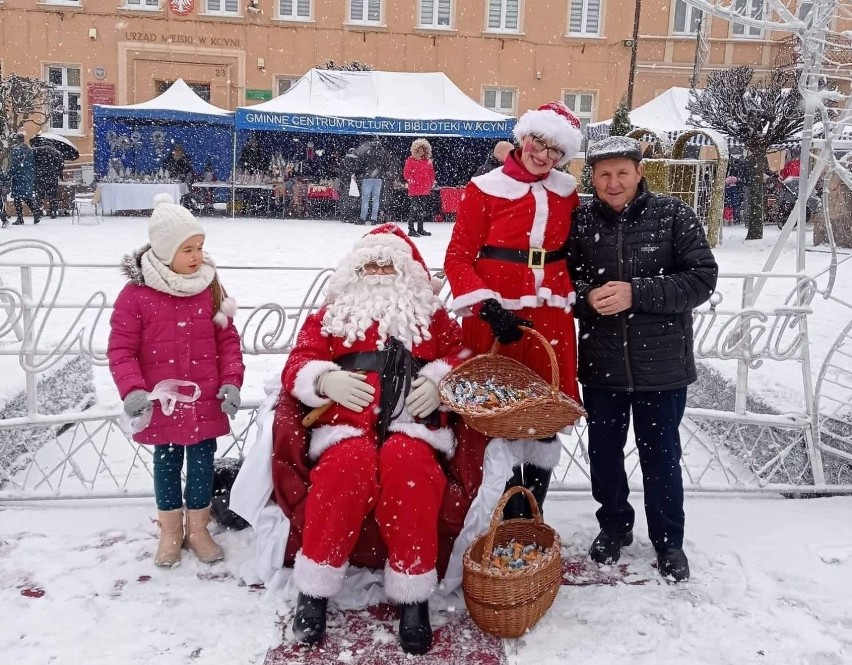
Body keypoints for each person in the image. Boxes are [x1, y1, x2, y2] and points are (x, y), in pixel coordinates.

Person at [282, 224, 468, 654]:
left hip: (411, 426)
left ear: (408, 270)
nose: (379, 269)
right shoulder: (333, 312)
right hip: (345, 427)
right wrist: (325, 379)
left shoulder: (431, 316)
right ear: (355, 268)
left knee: (410, 470)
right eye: (370, 261)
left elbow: (461, 355)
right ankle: (314, 589)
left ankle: (414, 595)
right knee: (346, 469)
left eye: (389, 262)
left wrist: (441, 380)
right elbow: (299, 361)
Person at [564, 136, 718, 583]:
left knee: (662, 457)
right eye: (604, 174)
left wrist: (639, 292)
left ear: (639, 173)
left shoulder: (673, 215)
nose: (613, 183)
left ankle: (669, 541)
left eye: (622, 173)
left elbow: (702, 279)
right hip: (602, 364)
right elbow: (561, 282)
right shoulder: (579, 221)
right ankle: (614, 526)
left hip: (662, 367)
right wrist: (586, 297)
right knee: (605, 457)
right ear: (592, 177)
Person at [443, 101, 584, 519]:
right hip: (495, 313)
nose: (542, 155)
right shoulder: (483, 187)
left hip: (550, 314)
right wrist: (486, 307)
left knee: (544, 411)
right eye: (538, 142)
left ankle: (527, 513)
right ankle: (488, 509)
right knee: (493, 408)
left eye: (555, 151)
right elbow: (457, 257)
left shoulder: (566, 192)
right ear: (523, 137)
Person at [107, 194, 245, 568]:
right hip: (162, 401)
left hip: (204, 399)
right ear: (166, 251)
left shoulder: (210, 287)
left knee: (202, 462)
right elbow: (121, 348)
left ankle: (198, 529)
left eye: (200, 246)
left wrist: (231, 381)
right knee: (167, 463)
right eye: (188, 249)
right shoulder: (136, 296)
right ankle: (170, 531)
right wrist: (133, 388)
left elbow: (227, 341)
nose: (197, 255)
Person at [403, 138, 436, 238]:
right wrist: (411, 180)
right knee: (414, 209)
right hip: (414, 189)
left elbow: (431, 173)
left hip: (425, 189)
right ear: (416, 150)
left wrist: (431, 182)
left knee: (422, 210)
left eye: (423, 149)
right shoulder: (410, 160)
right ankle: (411, 229)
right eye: (420, 149)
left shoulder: (428, 161)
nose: (422, 151)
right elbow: (406, 173)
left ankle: (420, 229)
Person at [355, 136, 391, 224]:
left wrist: (356, 174)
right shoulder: (383, 152)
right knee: (376, 200)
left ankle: (362, 218)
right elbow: (386, 166)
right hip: (379, 179)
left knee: (365, 199)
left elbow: (360, 164)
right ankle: (374, 219)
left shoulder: (367, 152)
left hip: (367, 178)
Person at [9, 132, 40, 226]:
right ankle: (36, 213)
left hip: (18, 177)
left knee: (17, 198)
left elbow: (14, 166)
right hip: (28, 177)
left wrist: (10, 175)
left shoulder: (15, 150)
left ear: (17, 140)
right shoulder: (29, 151)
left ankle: (20, 218)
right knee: (27, 196)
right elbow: (33, 165)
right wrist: (31, 175)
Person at [32, 141, 64, 219]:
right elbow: (61, 165)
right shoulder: (57, 153)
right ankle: (53, 211)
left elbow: (32, 163)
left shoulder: (37, 151)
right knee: (53, 195)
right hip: (52, 177)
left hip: (40, 176)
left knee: (39, 195)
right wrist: (59, 174)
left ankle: (39, 211)